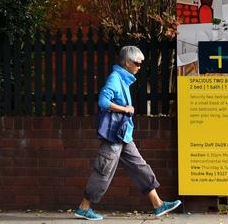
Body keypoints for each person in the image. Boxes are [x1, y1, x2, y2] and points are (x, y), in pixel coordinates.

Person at [75, 46, 181, 220]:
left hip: (124, 135)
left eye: (141, 63)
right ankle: (83, 208)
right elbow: (103, 100)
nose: (139, 66)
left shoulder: (123, 80)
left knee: (140, 167)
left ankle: (158, 204)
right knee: (104, 171)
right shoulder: (115, 79)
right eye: (137, 63)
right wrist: (124, 109)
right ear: (127, 62)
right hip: (113, 136)